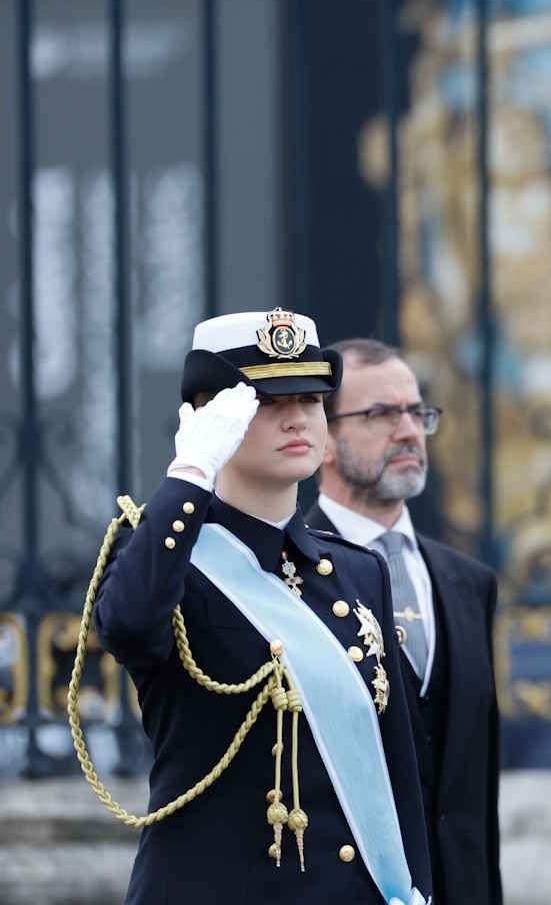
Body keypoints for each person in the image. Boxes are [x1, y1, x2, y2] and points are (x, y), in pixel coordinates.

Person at [87, 308, 432, 904]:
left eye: (310, 399)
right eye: (267, 402)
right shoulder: (164, 556)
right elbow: (130, 627)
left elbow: (398, 769)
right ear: (209, 417)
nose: (296, 418)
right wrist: (190, 474)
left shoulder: (356, 571)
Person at [308, 338, 503, 905]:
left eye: (417, 413)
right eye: (381, 414)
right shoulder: (287, 574)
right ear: (322, 439)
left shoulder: (470, 583)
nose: (410, 431)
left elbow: (474, 799)